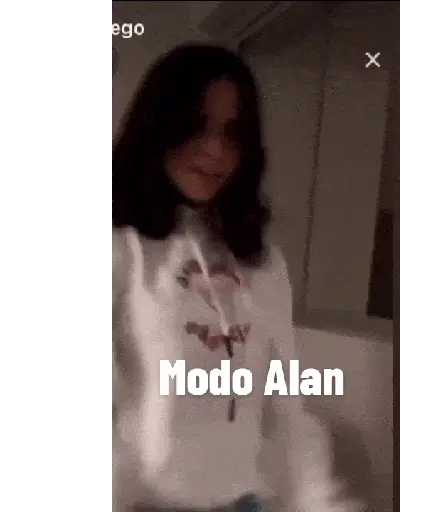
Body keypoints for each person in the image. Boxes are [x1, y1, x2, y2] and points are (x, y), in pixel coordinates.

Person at [112, 43, 364, 512]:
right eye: (197, 126)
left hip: (243, 499)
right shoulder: (124, 249)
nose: (216, 151)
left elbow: (284, 399)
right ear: (160, 126)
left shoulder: (260, 258)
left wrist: (319, 498)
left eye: (233, 133)